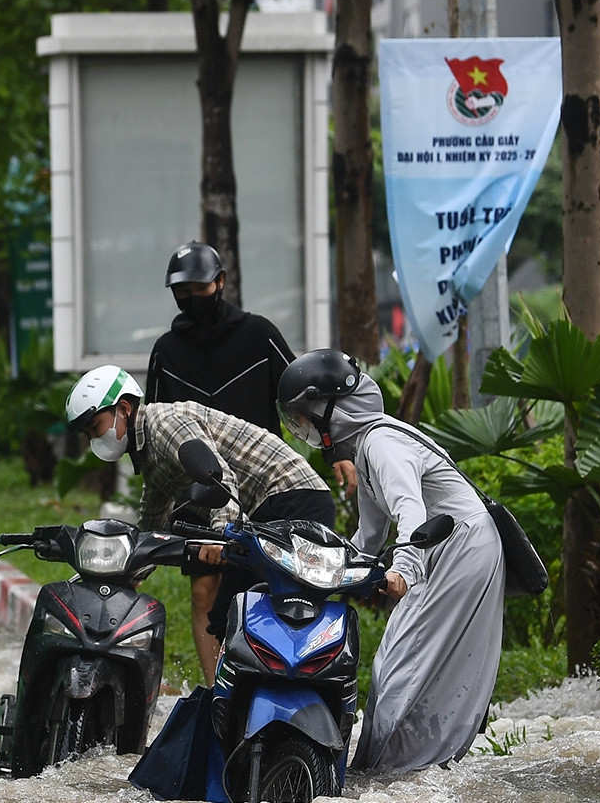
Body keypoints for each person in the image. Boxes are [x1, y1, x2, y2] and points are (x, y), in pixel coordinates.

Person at [278, 349, 505, 773]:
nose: (303, 426)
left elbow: (410, 511)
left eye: (305, 414)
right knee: (409, 663)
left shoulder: (381, 443)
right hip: (453, 547)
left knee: (403, 661)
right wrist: (319, 571)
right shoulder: (367, 447)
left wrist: (403, 571)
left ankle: (386, 773)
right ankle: (403, 767)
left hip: (458, 546)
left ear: (331, 408)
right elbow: (368, 535)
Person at [146, 242, 353, 681]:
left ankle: (271, 674)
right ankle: (215, 689)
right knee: (205, 588)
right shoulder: (167, 351)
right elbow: (153, 425)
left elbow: (304, 395)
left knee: (270, 582)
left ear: (220, 283)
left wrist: (338, 450)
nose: (191, 296)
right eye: (182, 290)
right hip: (201, 488)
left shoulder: (258, 335)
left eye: (199, 286)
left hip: (263, 485)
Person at [65, 365, 333, 683]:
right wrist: (123, 571)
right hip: (269, 509)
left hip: (290, 498)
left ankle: (229, 700)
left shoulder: (165, 423)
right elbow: (152, 522)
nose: (95, 437)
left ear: (124, 408)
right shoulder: (148, 452)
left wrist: (219, 536)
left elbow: (219, 478)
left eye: (95, 426)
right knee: (240, 615)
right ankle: (236, 702)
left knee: (235, 615)